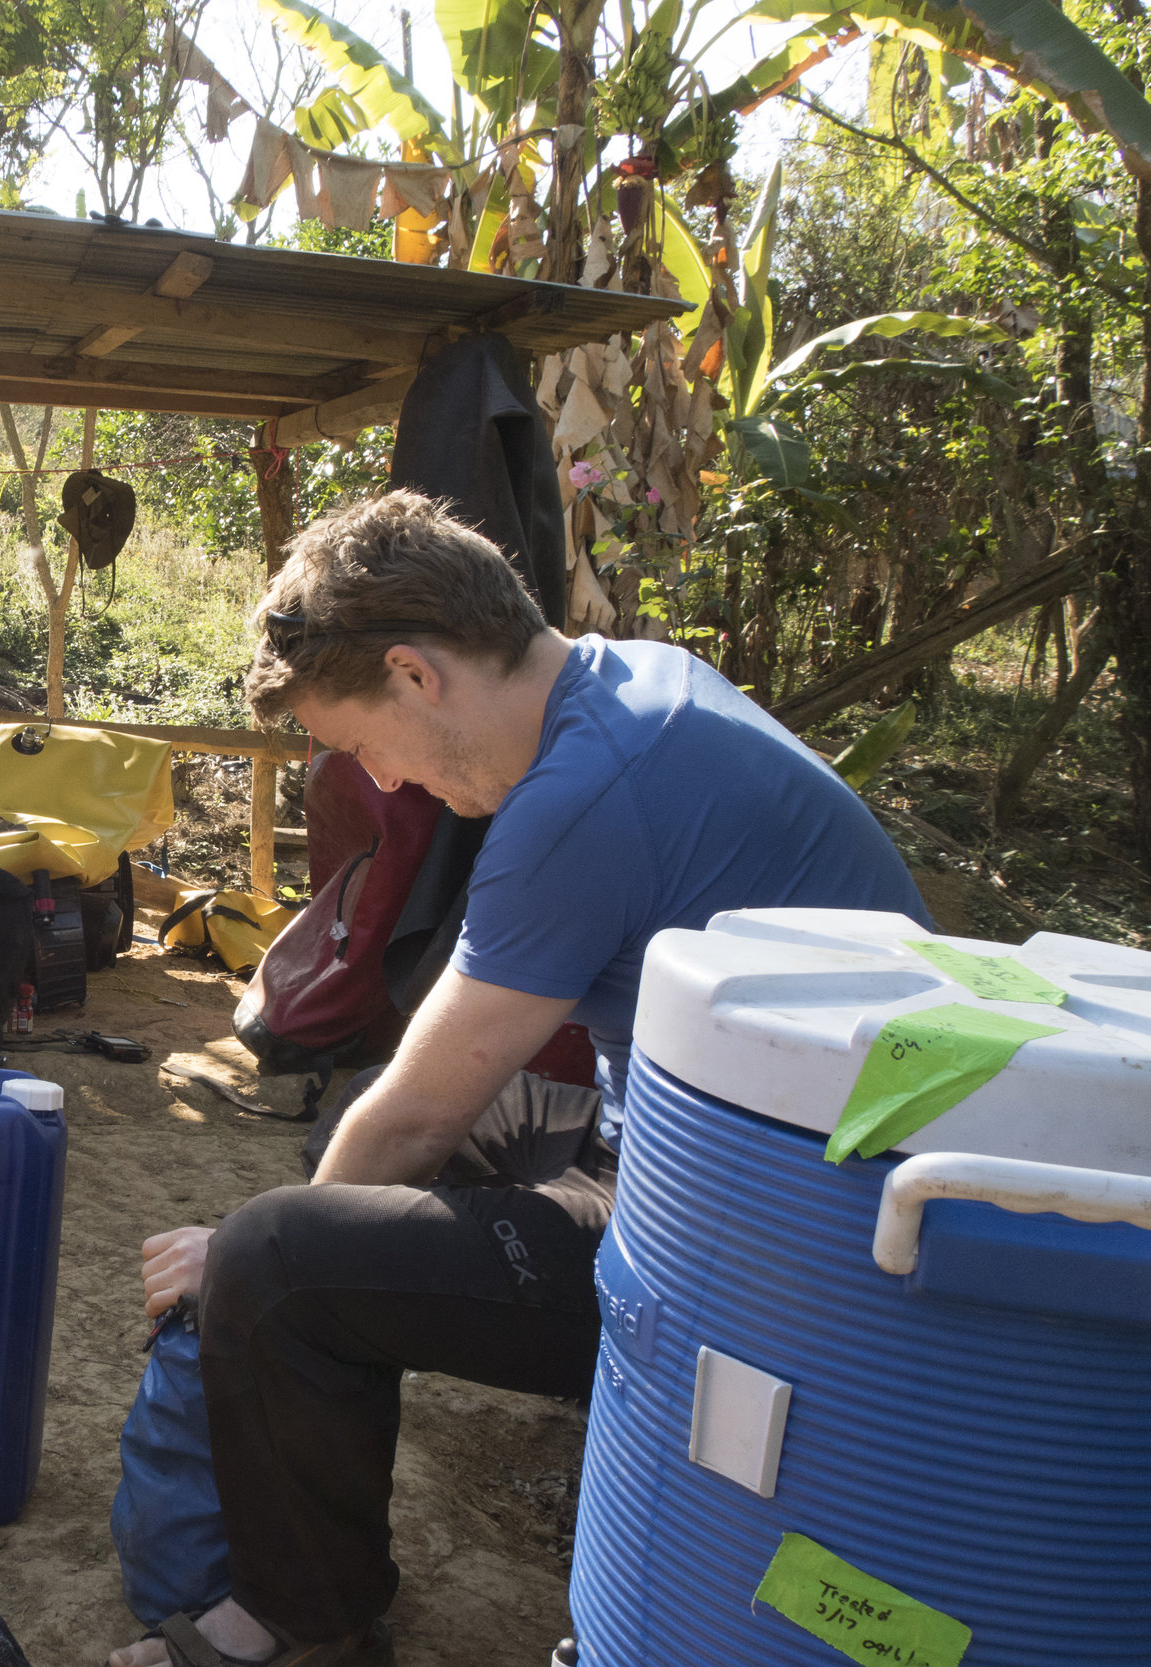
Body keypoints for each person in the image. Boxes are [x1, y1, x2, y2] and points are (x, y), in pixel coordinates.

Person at [112, 490, 929, 1667]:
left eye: (360, 745)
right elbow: (426, 1086)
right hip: (750, 1164)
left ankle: (301, 1622)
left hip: (766, 1265)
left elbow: (422, 1113)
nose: (385, 785)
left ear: (414, 674)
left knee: (278, 1257)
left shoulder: (576, 801)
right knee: (350, 1144)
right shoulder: (634, 683)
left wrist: (249, 1249)